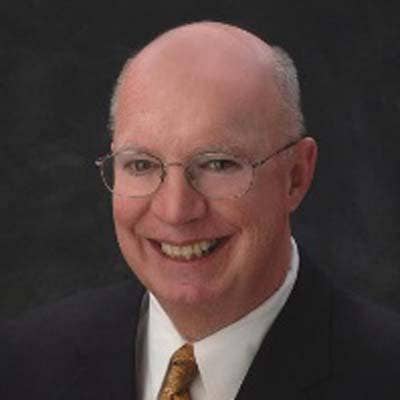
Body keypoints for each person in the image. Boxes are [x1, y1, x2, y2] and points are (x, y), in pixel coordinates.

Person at [1, 21, 400, 399]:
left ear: (295, 176)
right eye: (141, 165)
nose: (175, 211)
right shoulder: (22, 363)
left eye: (217, 164)